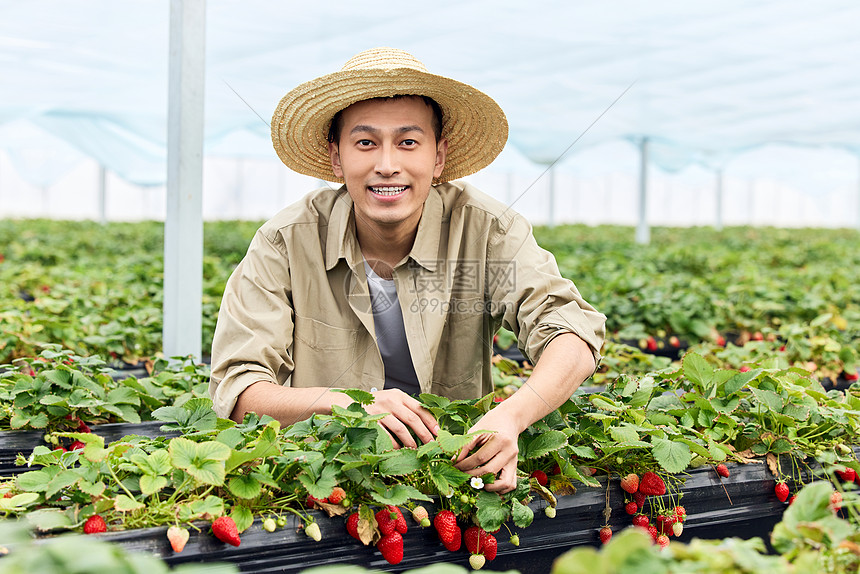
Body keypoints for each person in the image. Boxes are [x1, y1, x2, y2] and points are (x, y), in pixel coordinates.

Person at [209, 47, 606, 493]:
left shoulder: (487, 230)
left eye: (408, 142)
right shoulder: (285, 241)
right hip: (327, 475)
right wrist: (351, 406)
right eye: (365, 142)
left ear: (438, 157)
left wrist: (512, 416)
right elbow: (241, 390)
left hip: (456, 470)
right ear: (337, 159)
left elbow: (571, 330)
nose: (386, 164)